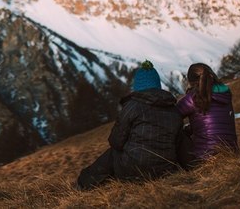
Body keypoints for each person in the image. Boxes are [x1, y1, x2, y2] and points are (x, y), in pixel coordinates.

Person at [77, 60, 183, 190]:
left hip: (133, 171)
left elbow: (116, 141)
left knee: (112, 154)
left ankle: (83, 183)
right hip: (165, 171)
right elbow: (177, 143)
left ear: (138, 86)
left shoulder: (132, 107)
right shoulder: (174, 110)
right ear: (157, 85)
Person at [177, 63, 238, 167]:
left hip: (204, 159)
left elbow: (172, 116)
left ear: (191, 81)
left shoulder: (192, 98)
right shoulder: (225, 94)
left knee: (177, 133)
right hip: (232, 154)